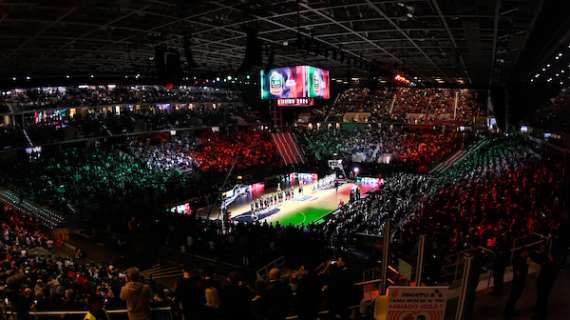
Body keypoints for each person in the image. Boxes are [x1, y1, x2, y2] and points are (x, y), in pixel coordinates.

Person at [504, 249, 529, 318]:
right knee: (513, 297)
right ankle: (508, 312)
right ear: (523, 252)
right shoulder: (519, 261)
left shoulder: (520, 259)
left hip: (518, 282)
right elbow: (518, 272)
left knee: (514, 297)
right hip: (518, 282)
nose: (527, 253)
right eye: (526, 252)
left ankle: (510, 310)